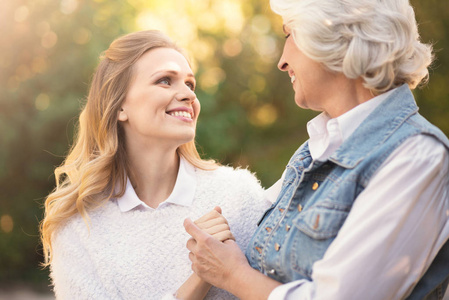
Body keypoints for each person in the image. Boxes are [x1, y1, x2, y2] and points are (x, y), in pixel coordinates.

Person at [184, 0, 449, 299]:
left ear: (338, 38)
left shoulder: (416, 156)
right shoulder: (315, 149)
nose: (281, 61)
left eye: (288, 35)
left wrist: (233, 275)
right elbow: (237, 221)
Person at [39, 30, 270, 299]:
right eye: (165, 81)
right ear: (119, 107)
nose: (188, 95)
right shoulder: (78, 225)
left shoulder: (239, 195)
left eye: (190, 84)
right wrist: (200, 277)